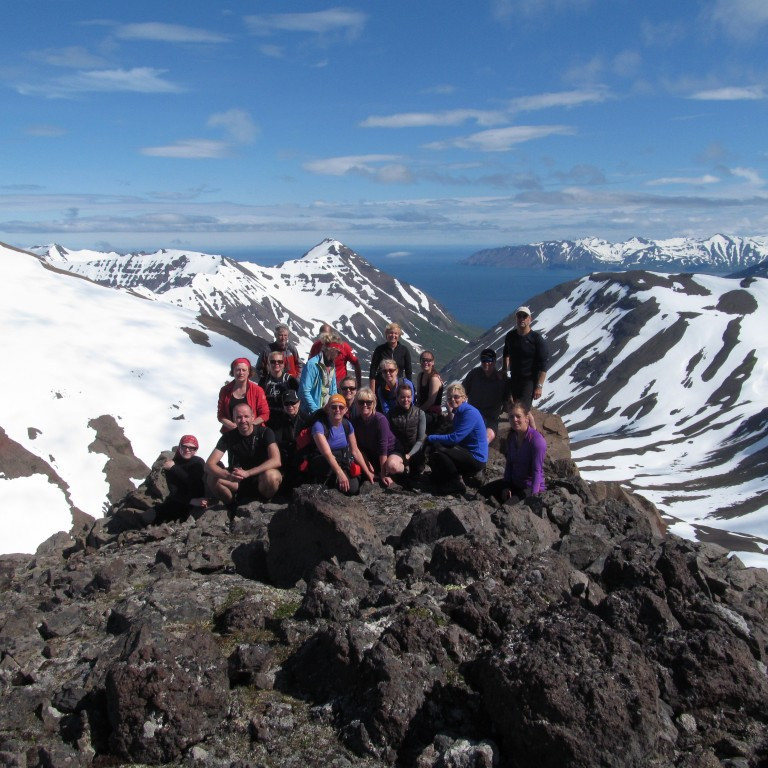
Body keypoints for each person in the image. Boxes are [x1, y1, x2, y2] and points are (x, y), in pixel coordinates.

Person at [206, 403, 282, 504]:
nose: (243, 421)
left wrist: (248, 473)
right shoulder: (228, 436)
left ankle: (265, 503)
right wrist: (228, 476)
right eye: (239, 417)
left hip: (261, 478)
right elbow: (209, 465)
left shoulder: (265, 433)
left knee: (272, 476)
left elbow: (276, 460)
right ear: (233, 419)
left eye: (246, 416)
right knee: (212, 477)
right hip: (237, 479)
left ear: (252, 416)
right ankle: (230, 505)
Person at [424, 383, 488, 495]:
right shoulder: (459, 412)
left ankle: (455, 483)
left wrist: (431, 437)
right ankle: (445, 478)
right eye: (450, 398)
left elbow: (454, 438)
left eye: (456, 397)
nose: (453, 399)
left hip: (476, 457)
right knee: (438, 447)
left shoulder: (469, 413)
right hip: (467, 452)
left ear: (464, 398)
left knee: (440, 448)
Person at [480, 400, 547, 503]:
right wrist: (506, 486)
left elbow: (537, 471)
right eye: (511, 417)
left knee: (507, 508)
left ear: (526, 418)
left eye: (518, 416)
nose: (514, 420)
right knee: (482, 493)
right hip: (514, 483)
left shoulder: (537, 441)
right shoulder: (512, 437)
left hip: (529, 487)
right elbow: (509, 464)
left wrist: (533, 498)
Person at [310, 394, 374, 495]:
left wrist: (368, 473)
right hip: (325, 462)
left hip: (342, 461)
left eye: (341, 407)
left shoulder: (347, 425)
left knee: (352, 488)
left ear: (346, 410)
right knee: (336, 478)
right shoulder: (319, 426)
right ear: (328, 409)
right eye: (333, 407)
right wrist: (340, 473)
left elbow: (355, 451)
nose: (337, 410)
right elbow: (327, 453)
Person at [502, 306, 549, 408]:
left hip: (529, 381)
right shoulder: (510, 336)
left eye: (525, 316)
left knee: (523, 409)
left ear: (530, 319)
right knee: (514, 406)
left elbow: (543, 365)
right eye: (519, 316)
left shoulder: (536, 339)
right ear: (516, 318)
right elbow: (506, 353)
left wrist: (539, 386)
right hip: (514, 378)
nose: (522, 319)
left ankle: (526, 424)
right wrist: (504, 369)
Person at [350, 387, 397, 487]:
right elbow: (358, 449)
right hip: (372, 454)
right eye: (361, 402)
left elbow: (383, 447)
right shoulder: (355, 422)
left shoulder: (380, 420)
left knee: (392, 466)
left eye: (369, 402)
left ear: (374, 403)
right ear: (357, 404)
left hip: (389, 452)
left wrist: (384, 474)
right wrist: (367, 467)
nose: (365, 405)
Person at [157, 435, 208, 522]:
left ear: (196, 450)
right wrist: (192, 501)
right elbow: (173, 491)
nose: (187, 450)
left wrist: (174, 468)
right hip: (182, 501)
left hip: (200, 498)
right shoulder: (172, 464)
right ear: (179, 446)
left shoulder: (198, 462)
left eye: (191, 448)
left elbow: (192, 481)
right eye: (184, 446)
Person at [463, 348, 506, 443]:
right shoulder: (474, 374)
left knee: (486, 438)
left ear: (494, 361)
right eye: (484, 360)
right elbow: (462, 391)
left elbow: (507, 400)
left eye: (489, 360)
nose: (486, 363)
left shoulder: (501, 380)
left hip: (490, 419)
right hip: (472, 415)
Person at [267, 390, 306, 491]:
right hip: (284, 460)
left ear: (299, 402)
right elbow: (276, 443)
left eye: (293, 403)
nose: (290, 406)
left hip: (302, 459)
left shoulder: (306, 419)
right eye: (286, 403)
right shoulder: (277, 421)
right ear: (283, 405)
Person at [386, 383, 427, 481]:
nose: (406, 400)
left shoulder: (420, 413)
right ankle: (403, 469)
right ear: (397, 397)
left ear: (412, 397)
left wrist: (409, 455)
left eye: (408, 397)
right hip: (398, 450)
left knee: (416, 474)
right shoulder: (390, 414)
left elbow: (421, 439)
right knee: (392, 467)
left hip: (415, 451)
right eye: (402, 397)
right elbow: (387, 437)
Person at [217, 357, 269, 433]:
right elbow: (221, 415)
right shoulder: (225, 390)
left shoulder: (257, 390)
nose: (241, 373)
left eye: (244, 370)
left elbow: (265, 414)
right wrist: (231, 425)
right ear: (233, 372)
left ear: (249, 372)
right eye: (238, 370)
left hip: (253, 432)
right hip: (231, 432)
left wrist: (250, 425)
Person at [298, 333, 340, 417]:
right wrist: (316, 411)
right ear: (330, 350)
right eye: (337, 351)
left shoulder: (332, 365)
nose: (338, 354)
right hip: (310, 414)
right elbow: (305, 391)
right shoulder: (312, 364)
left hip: (326, 412)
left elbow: (333, 391)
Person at [308, 323, 362, 387]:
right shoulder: (316, 346)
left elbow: (356, 363)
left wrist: (358, 384)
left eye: (327, 336)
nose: (325, 338)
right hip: (320, 383)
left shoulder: (344, 346)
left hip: (340, 384)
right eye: (322, 336)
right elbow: (310, 365)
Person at [369, 322, 413, 395]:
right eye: (390, 333)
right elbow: (373, 370)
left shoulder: (404, 350)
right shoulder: (379, 350)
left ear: (399, 335)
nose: (393, 335)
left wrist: (408, 389)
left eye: (396, 333)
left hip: (399, 387)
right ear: (386, 334)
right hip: (381, 386)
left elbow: (409, 372)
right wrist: (372, 392)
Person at [416, 350, 444, 433]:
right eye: (423, 360)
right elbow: (419, 396)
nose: (426, 362)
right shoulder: (420, 376)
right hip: (423, 410)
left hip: (433, 413)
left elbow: (431, 401)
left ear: (433, 362)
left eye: (429, 360)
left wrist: (417, 412)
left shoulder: (434, 379)